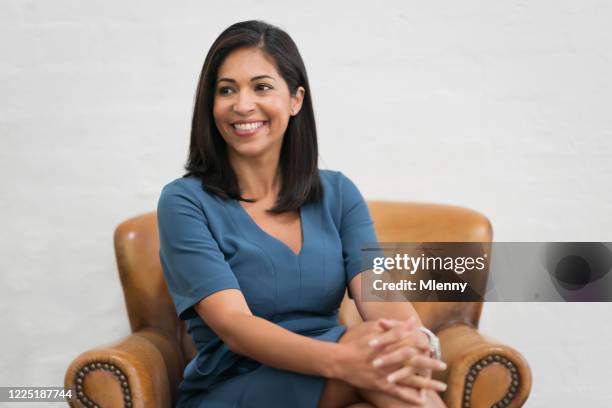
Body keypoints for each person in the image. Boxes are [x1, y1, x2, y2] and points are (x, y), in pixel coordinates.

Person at [157, 20, 447, 408]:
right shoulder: (184, 202)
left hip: (336, 368)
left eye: (261, 87)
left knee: (387, 361)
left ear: (295, 100)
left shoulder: (338, 192)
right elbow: (236, 328)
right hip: (236, 382)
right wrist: (347, 361)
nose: (242, 105)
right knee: (385, 367)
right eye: (227, 90)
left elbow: (378, 292)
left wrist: (413, 339)